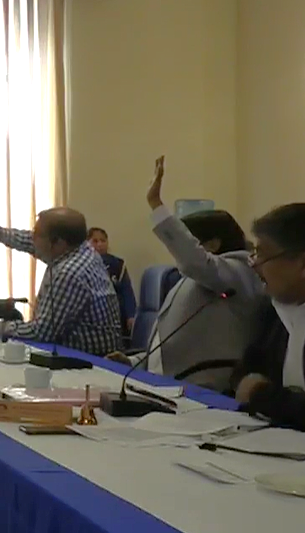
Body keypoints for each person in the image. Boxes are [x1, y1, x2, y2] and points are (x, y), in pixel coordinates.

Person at [138, 156, 263, 390]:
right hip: (165, 385)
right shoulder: (193, 276)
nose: (178, 251)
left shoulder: (241, 270)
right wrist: (135, 361)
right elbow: (167, 341)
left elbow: (195, 261)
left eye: (191, 240)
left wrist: (156, 205)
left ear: (213, 244)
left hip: (205, 390)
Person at [0, 203, 123, 356]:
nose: (32, 238)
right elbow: (31, 242)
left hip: (88, 362)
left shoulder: (70, 274)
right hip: (88, 355)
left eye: (37, 234)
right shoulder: (81, 248)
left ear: (58, 243)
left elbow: (42, 332)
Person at [232, 202, 305, 429]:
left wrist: (263, 396)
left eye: (262, 254)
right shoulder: (273, 312)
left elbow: (254, 390)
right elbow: (243, 377)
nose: (253, 265)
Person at [88, 226, 137, 338]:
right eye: (95, 241)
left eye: (103, 241)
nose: (100, 244)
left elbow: (127, 291)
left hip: (118, 315)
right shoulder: (84, 265)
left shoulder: (118, 264)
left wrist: (131, 315)